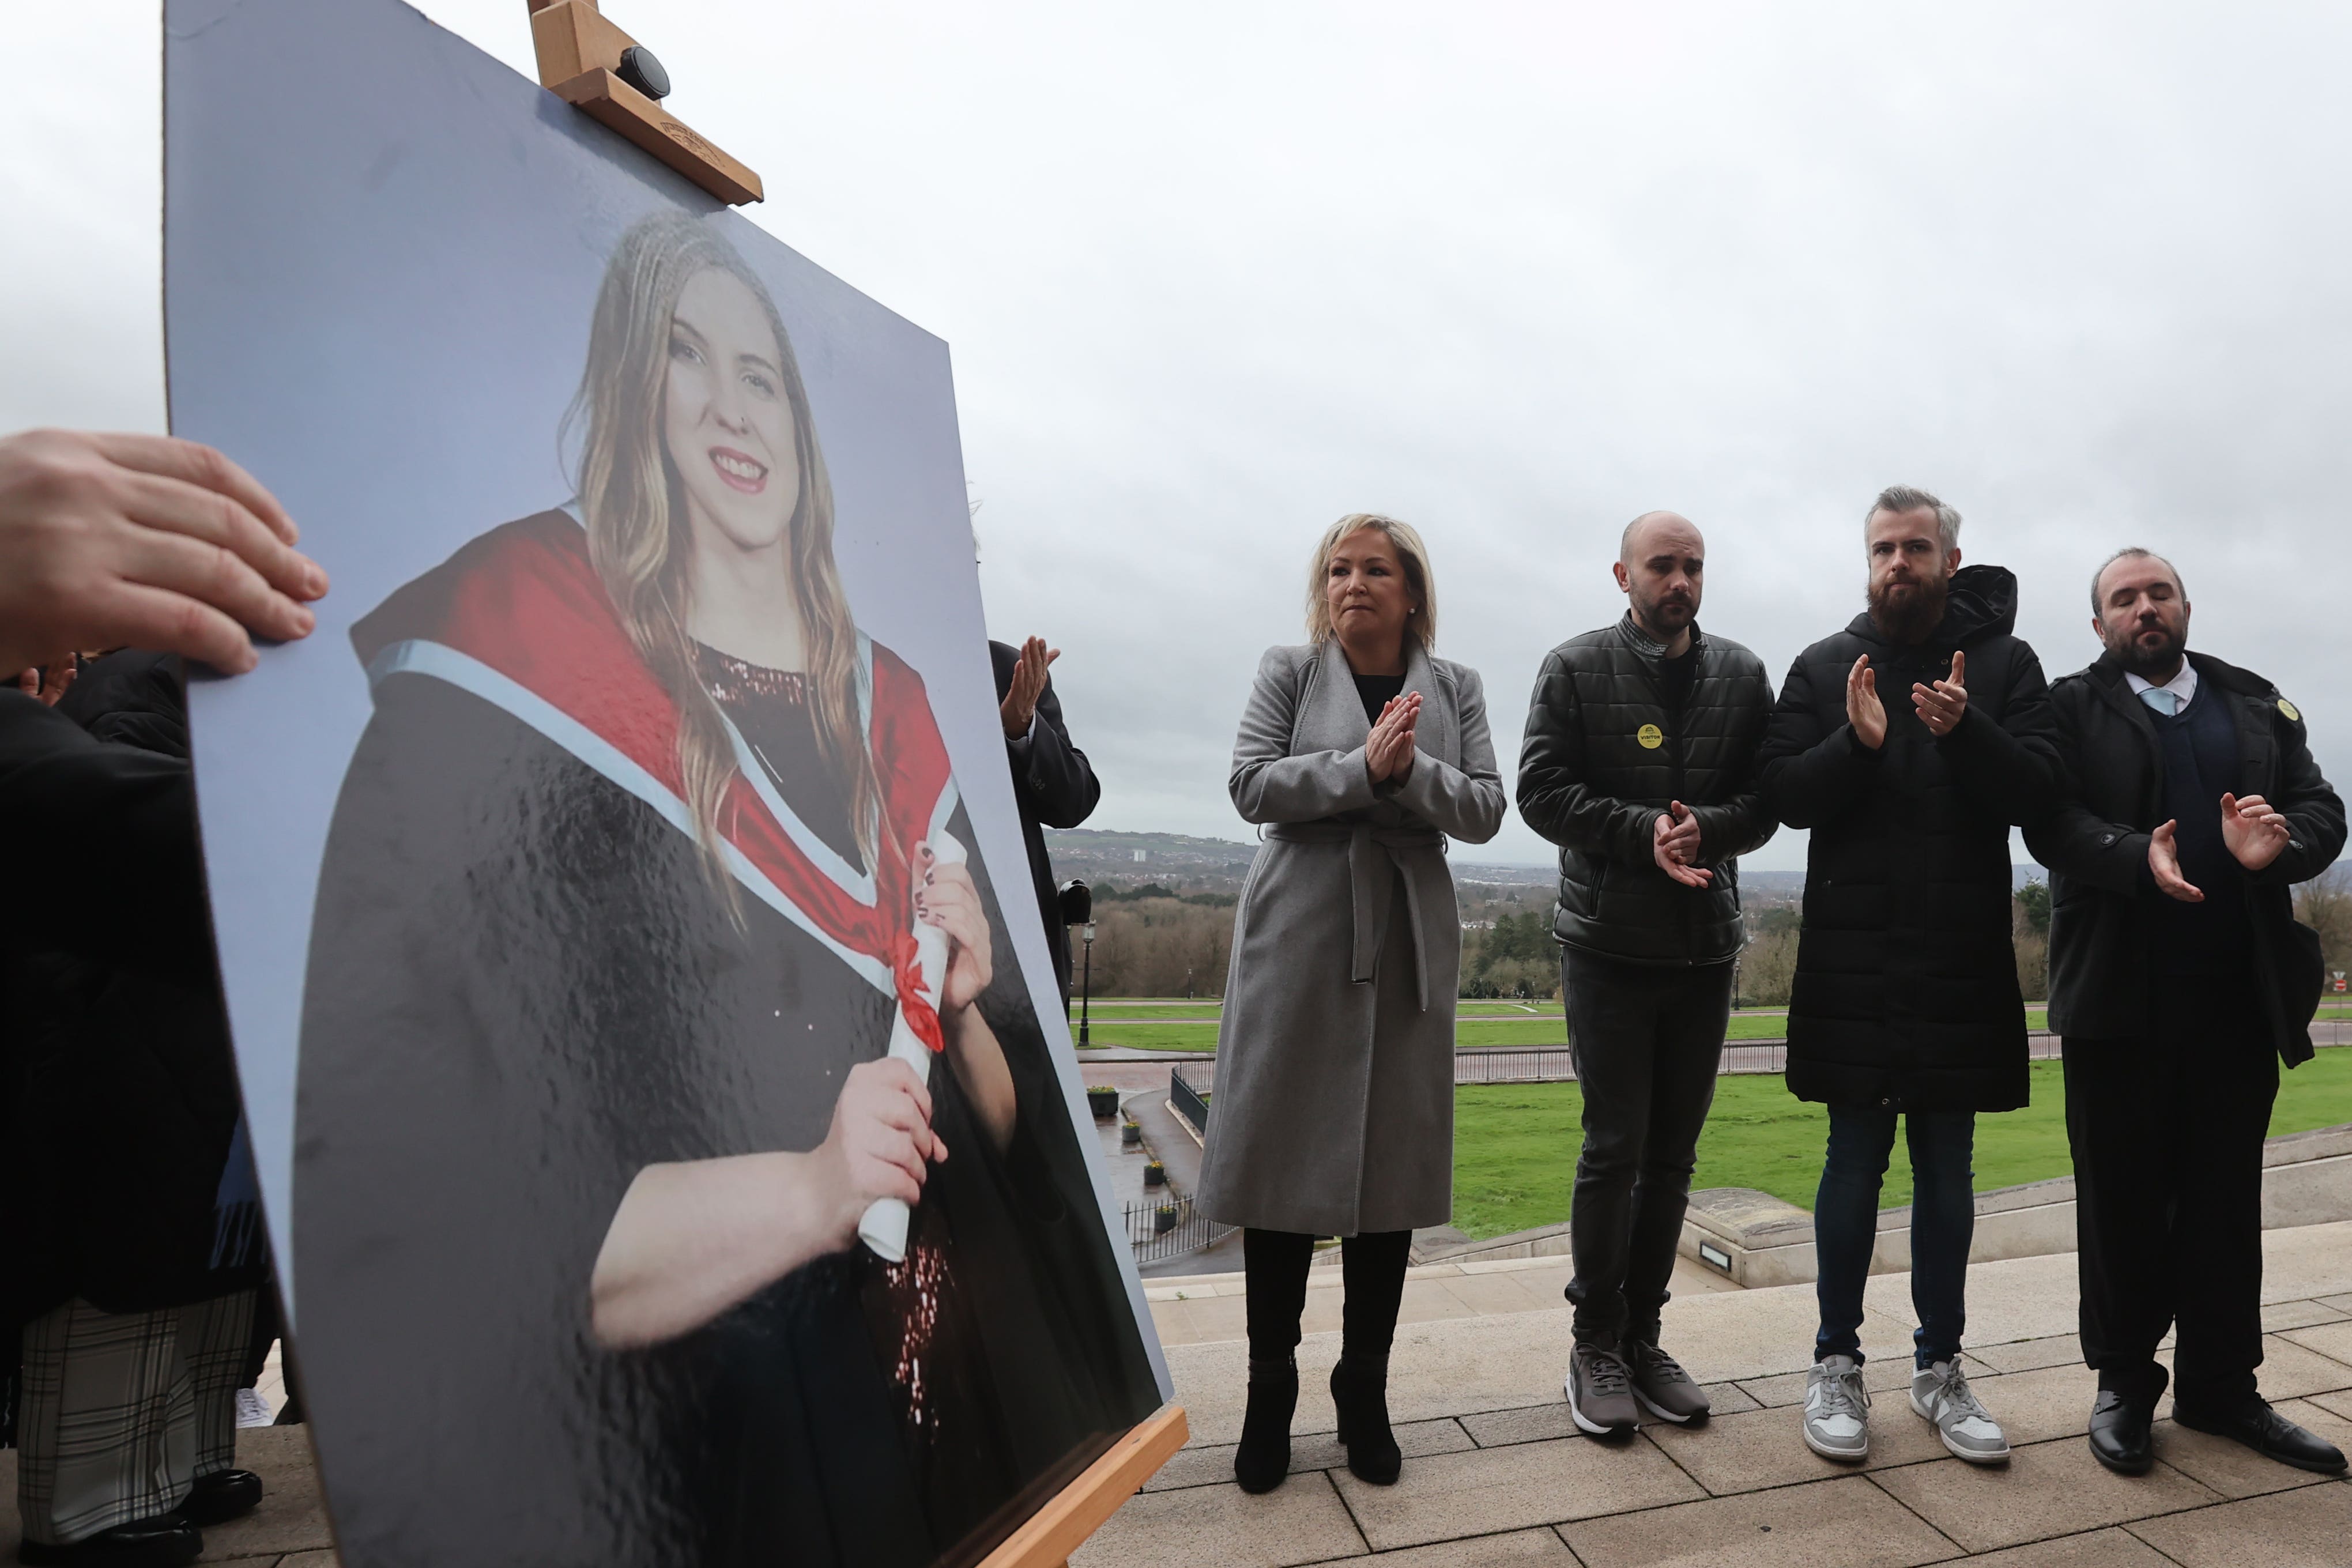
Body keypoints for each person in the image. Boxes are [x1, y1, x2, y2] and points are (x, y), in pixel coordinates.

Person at [292, 213, 1158, 1568]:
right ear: (626, 392)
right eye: (682, 356)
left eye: (761, 371)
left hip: (966, 1445)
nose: (728, 402)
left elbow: (1006, 1143)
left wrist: (970, 1014)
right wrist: (810, 1187)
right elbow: (439, 1217)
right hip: (716, 1466)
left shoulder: (895, 721)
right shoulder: (508, 691)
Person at [0, 429, 323, 1568]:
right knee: (122, 1317)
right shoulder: (140, 689)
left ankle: (179, 1467)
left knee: (204, 1311)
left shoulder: (219, 692)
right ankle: (94, 1507)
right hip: (143, 1065)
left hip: (206, 1078)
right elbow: (101, 828)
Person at [1196, 512, 1505, 1493]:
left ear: (1413, 590)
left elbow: (1489, 808)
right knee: (1283, 1164)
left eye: (1376, 568)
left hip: (1411, 927)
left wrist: (1408, 771)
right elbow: (1250, 784)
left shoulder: (1455, 688)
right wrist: (1353, 770)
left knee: (1391, 1172)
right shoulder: (1289, 670)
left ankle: (1362, 1388)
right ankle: (1268, 1388)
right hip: (1300, 927)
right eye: (1338, 568)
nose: (1353, 583)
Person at [2025, 548, 2346, 1477]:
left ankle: (2222, 1388)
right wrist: (2136, 858)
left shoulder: (2255, 703)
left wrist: (2279, 848)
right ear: (2099, 627)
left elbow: (2323, 808)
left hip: (2236, 1002)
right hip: (2117, 1000)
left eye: (2158, 592)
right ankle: (2126, 1384)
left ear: (2187, 607)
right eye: (2123, 600)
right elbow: (2050, 821)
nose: (2144, 608)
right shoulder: (2070, 707)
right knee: (2120, 1203)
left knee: (2221, 1204)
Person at [1755, 484, 2060, 1467]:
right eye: (1884, 547)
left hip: (1960, 954)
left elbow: (2042, 792)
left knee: (1947, 1167)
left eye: (1916, 547)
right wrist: (1861, 742)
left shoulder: (2008, 666)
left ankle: (1939, 1370)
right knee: (1852, 1161)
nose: (1899, 562)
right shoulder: (1821, 665)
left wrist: (1966, 729)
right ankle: (1835, 1364)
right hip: (1852, 955)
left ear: (1948, 559)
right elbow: (1781, 797)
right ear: (1868, 560)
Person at [1516, 511, 1776, 1437]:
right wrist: (1644, 834)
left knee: (1671, 1161)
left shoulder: (1744, 675)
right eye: (1662, 565)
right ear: (1621, 575)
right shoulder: (1573, 667)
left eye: (1693, 567)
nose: (1680, 581)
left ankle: (1643, 1338)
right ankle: (1594, 1340)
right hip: (1607, 949)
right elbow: (1540, 793)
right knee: (1612, 1149)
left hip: (1705, 950)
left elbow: (1766, 801)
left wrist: (1710, 829)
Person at [991, 635, 1101, 1001]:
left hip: (1006, 944)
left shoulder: (1009, 669)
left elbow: (1074, 802)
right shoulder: (826, 655)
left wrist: (1019, 727)